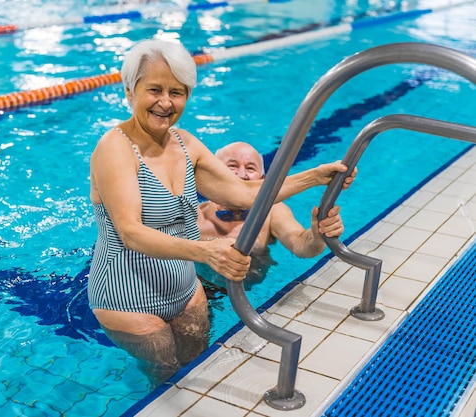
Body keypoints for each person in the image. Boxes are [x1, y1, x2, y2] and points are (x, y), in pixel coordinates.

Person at [87, 39, 356, 387]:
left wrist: (314, 176)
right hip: (126, 297)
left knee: (200, 367)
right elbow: (130, 232)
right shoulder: (115, 148)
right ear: (129, 91)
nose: (166, 102)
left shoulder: (184, 143)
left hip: (185, 289)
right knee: (165, 378)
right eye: (154, 89)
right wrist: (206, 251)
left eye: (177, 92)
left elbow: (245, 193)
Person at [197, 141, 346, 289]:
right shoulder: (196, 216)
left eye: (250, 168)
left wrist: (317, 235)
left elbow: (301, 245)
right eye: (232, 166)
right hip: (203, 287)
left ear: (262, 180)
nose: (242, 175)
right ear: (214, 175)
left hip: (251, 290)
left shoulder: (272, 211)